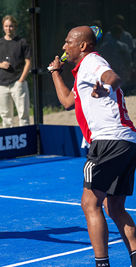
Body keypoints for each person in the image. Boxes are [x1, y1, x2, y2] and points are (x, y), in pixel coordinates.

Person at [49, 25, 136, 267]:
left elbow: (113, 78)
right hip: (126, 141)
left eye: (68, 42)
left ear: (83, 46)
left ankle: (101, 264)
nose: (64, 46)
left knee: (89, 203)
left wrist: (105, 86)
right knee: (115, 207)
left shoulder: (92, 63)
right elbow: (67, 101)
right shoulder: (82, 74)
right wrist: (56, 72)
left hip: (108, 141)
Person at [0, 15, 31, 128]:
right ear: (3, 27)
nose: (8, 28)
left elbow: (28, 62)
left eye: (11, 26)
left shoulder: (22, 42)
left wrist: (21, 80)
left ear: (15, 27)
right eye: (6, 26)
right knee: (5, 117)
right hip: (2, 84)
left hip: (17, 83)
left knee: (23, 115)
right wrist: (1, 65)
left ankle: (26, 140)